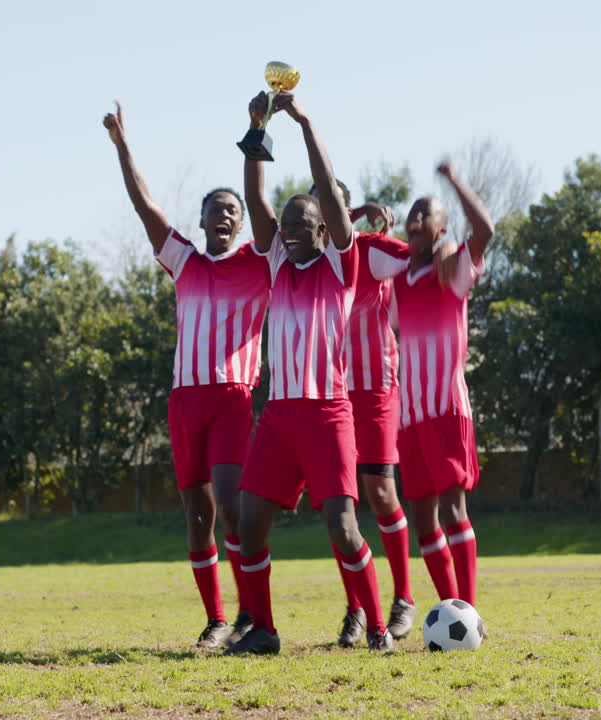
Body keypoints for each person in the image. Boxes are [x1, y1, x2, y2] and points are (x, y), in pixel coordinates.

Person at [225, 91, 392, 655]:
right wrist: (257, 129)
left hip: (327, 415)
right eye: (286, 225)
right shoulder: (276, 263)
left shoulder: (341, 267)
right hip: (278, 416)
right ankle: (265, 631)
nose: (289, 231)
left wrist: (305, 124)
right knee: (250, 526)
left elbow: (325, 188)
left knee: (344, 530)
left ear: (325, 231)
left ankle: (374, 627)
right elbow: (255, 195)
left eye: (303, 224)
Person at [103, 102, 268, 648]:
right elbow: (143, 204)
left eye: (231, 212)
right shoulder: (185, 262)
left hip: (230, 401)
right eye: (214, 210)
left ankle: (251, 614)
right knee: (197, 516)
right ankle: (218, 620)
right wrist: (123, 147)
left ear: (241, 225)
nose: (222, 217)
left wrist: (257, 133)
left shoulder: (259, 265)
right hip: (184, 403)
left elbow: (287, 215)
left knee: (234, 511)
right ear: (200, 220)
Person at [366, 162, 493, 607]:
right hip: (410, 417)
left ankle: (469, 612)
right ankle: (450, 609)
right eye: (412, 215)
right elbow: (352, 249)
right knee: (423, 521)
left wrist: (455, 180)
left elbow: (485, 231)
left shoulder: (453, 271)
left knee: (454, 511)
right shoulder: (399, 280)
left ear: (442, 227)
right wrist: (364, 213)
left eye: (426, 214)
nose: (416, 221)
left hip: (446, 411)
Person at [306, 181, 417, 645]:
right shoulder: (306, 261)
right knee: (340, 503)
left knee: (381, 490)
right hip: (329, 395)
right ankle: (355, 607)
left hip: (374, 388)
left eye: (332, 203)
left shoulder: (371, 251)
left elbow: (421, 259)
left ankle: (404, 598)